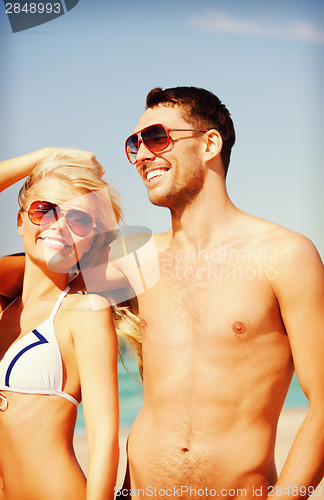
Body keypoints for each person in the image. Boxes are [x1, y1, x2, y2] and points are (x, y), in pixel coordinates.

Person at [2, 87, 324, 499]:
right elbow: (33, 261)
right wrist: (42, 156)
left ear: (210, 143)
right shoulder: (129, 261)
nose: (141, 155)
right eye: (134, 144)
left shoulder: (284, 255)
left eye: (156, 137)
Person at [0, 148, 121, 500]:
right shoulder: (8, 308)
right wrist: (48, 155)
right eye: (44, 210)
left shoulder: (84, 311)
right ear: (21, 220)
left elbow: (103, 439)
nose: (59, 226)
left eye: (79, 220)